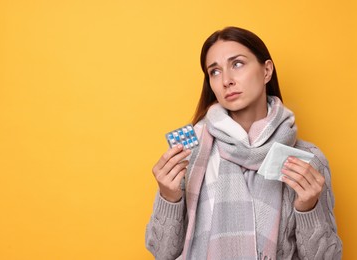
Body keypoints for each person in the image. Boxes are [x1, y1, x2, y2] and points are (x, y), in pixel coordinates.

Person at [145, 26, 342, 260]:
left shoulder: (307, 159)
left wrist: (309, 209)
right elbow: (161, 252)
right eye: (215, 72)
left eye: (237, 64)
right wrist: (168, 197)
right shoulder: (189, 152)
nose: (226, 80)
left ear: (266, 70)